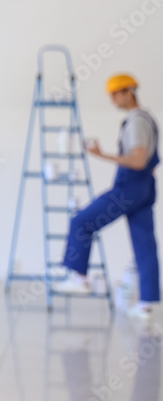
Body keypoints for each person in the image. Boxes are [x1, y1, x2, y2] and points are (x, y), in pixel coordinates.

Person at [54, 74, 160, 321]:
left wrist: (101, 155)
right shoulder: (147, 119)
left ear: (129, 92)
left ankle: (79, 278)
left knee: (81, 221)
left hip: (130, 187)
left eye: (115, 94)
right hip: (144, 188)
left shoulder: (136, 122)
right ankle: (145, 304)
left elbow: (138, 160)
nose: (112, 99)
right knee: (144, 244)